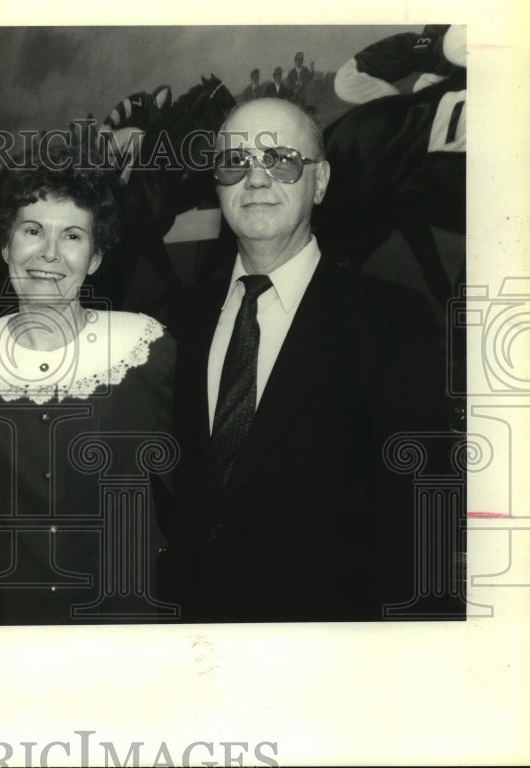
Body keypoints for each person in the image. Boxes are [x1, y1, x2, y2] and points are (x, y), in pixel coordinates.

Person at [168, 98, 460, 622]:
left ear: (320, 181)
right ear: (218, 185)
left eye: (279, 159)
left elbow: (419, 518)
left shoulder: (392, 319)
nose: (255, 180)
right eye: (235, 162)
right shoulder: (176, 321)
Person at [0, 158, 178, 625]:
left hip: (119, 614)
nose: (50, 254)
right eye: (33, 231)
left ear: (96, 258)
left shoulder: (146, 348)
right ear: (5, 245)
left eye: (73, 236)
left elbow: (194, 480)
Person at [334, 24, 466, 104]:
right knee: (398, 107)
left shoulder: (419, 42)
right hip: (354, 77)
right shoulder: (423, 47)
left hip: (352, 74)